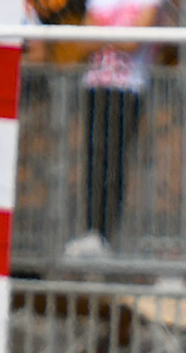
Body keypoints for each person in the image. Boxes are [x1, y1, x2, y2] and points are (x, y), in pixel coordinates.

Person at [61, 0, 159, 260]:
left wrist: (102, 33)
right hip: (96, 85)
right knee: (94, 160)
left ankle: (105, 235)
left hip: (128, 88)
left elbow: (133, 42)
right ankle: (90, 231)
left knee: (114, 161)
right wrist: (119, 33)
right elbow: (83, 43)